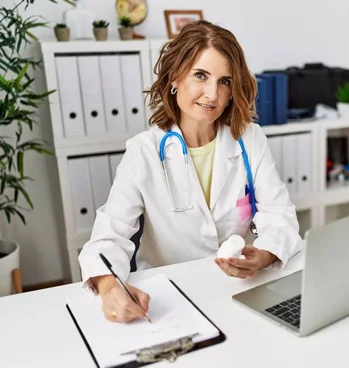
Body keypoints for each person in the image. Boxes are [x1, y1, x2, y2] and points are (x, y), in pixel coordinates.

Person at [78, 20, 302, 323]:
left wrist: (264, 254)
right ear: (174, 76)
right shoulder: (143, 152)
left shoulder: (249, 140)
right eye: (200, 75)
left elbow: (280, 216)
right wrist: (109, 287)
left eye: (224, 81)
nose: (212, 94)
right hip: (169, 299)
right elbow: (108, 239)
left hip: (236, 291)